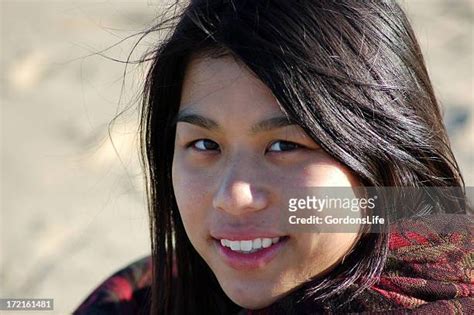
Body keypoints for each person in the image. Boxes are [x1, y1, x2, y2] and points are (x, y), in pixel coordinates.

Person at [74, 0, 473, 314]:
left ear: (383, 153)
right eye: (204, 145)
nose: (233, 196)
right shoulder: (139, 296)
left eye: (284, 146)